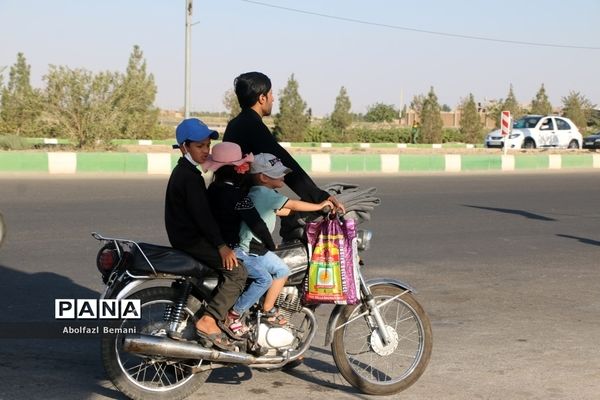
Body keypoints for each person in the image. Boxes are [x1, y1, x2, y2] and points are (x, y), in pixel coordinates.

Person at [223, 71, 344, 241]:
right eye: (271, 94)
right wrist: (319, 197)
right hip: (245, 210)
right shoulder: (253, 126)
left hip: (227, 203)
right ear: (262, 98)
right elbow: (283, 161)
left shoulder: (235, 124)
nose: (274, 99)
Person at [164, 118, 246, 351]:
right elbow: (203, 217)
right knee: (239, 272)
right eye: (199, 146)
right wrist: (221, 245)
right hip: (191, 239)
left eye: (207, 146)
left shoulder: (185, 172)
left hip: (187, 236)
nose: (205, 151)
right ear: (184, 147)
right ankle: (210, 320)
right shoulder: (189, 178)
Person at [237, 153, 334, 324]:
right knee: (274, 274)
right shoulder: (265, 194)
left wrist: (308, 212)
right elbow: (293, 204)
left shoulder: (258, 193)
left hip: (254, 246)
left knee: (280, 270)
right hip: (252, 250)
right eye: (278, 173)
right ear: (263, 177)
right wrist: (319, 206)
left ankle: (266, 307)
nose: (283, 176)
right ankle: (256, 310)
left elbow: (281, 210)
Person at [202, 141, 279, 337]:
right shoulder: (236, 195)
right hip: (231, 249)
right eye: (242, 166)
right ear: (236, 169)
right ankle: (233, 316)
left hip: (210, 244)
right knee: (264, 278)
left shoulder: (213, 189)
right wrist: (271, 245)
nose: (245, 170)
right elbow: (256, 223)